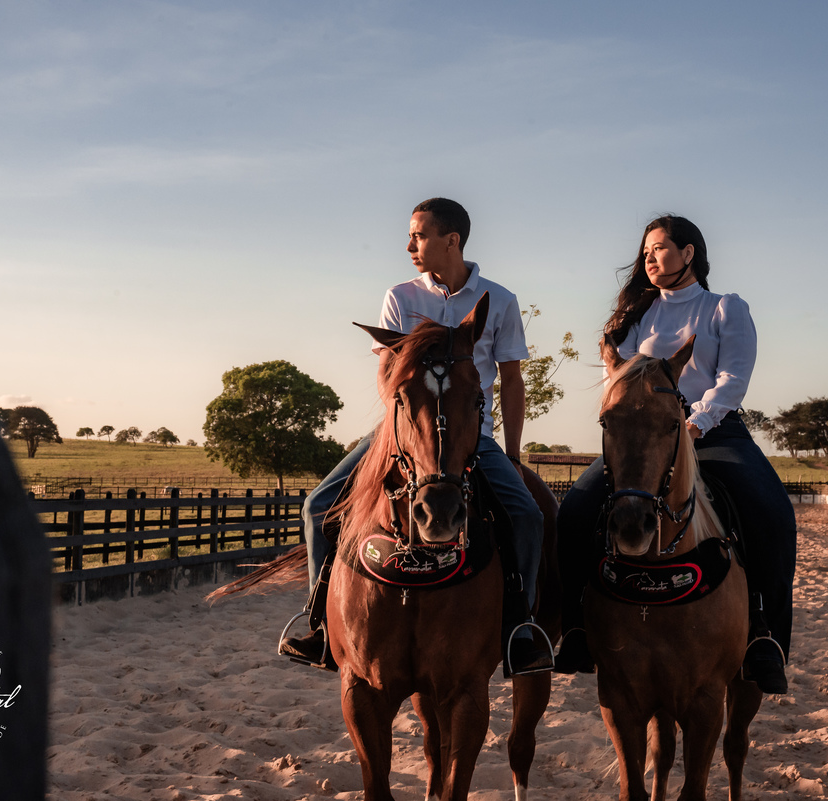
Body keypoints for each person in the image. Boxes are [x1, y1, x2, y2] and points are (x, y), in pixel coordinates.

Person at [281, 197, 552, 674]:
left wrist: (511, 454)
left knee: (529, 514)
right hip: (400, 432)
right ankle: (320, 627)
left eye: (419, 235)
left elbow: (511, 379)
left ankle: (521, 628)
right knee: (317, 505)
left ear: (452, 240)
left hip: (474, 435)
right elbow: (388, 376)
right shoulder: (400, 298)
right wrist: (397, 432)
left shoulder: (500, 300)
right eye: (410, 235)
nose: (410, 245)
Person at [553, 214, 796, 694]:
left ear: (689, 254)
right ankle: (577, 625)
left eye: (659, 248)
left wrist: (696, 420)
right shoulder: (636, 319)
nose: (649, 258)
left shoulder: (724, 308)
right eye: (645, 252)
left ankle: (766, 637)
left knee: (770, 511)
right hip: (645, 438)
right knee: (577, 507)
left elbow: (733, 379)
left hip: (715, 433)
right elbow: (615, 382)